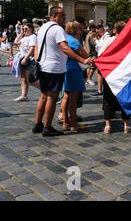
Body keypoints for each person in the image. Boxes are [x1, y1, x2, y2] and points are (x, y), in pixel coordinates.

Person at [32, 7, 92, 137]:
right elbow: (65, 48)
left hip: (43, 66)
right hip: (54, 68)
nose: (65, 17)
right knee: (51, 98)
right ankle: (47, 127)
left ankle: (38, 124)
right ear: (54, 16)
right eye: (62, 15)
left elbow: (37, 45)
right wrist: (82, 59)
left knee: (43, 96)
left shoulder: (43, 27)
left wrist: (38, 58)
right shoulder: (57, 29)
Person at [101, 22, 131, 134]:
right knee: (125, 98)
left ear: (115, 30)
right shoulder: (129, 41)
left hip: (110, 73)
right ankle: (126, 125)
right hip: (124, 73)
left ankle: (108, 125)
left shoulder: (109, 40)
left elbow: (101, 54)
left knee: (108, 99)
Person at [60, 21, 89, 132]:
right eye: (79, 28)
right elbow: (85, 55)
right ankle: (73, 124)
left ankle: (65, 122)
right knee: (73, 98)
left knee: (66, 96)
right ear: (75, 29)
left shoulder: (65, 38)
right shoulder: (74, 41)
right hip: (73, 69)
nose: (81, 29)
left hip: (65, 67)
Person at [12, 23, 38, 102]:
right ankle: (24, 95)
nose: (25, 30)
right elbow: (15, 42)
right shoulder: (24, 37)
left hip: (29, 60)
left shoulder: (33, 37)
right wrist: (21, 33)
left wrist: (26, 58)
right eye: (24, 29)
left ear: (31, 29)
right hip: (23, 59)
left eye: (26, 28)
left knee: (31, 80)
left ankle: (47, 91)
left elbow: (32, 48)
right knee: (24, 79)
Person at [95, 25, 111, 95]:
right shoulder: (104, 37)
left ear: (100, 30)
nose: (97, 33)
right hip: (102, 57)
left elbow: (102, 47)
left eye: (98, 31)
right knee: (99, 74)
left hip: (104, 58)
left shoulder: (107, 37)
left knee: (100, 74)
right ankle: (100, 89)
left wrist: (96, 41)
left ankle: (100, 90)